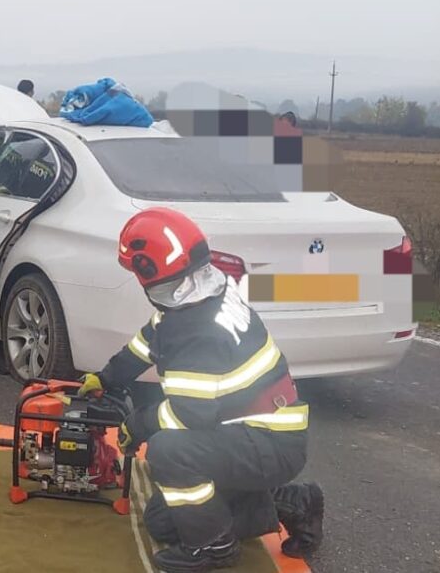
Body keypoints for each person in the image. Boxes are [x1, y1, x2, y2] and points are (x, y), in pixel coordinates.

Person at [78, 207, 324, 571]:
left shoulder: (195, 330)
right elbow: (149, 341)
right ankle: (293, 504)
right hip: (255, 431)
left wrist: (139, 423)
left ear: (149, 270)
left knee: (168, 452)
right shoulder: (200, 291)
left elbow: (190, 415)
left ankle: (214, 547)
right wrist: (107, 377)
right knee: (163, 521)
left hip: (269, 442)